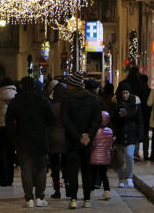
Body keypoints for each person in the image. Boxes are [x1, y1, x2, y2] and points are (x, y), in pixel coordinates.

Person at [5, 77, 55, 208]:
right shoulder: (43, 100)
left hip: (23, 139)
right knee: (41, 168)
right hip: (40, 139)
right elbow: (51, 119)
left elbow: (9, 122)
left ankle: (29, 199)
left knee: (26, 169)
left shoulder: (16, 101)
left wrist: (13, 138)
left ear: (21, 86)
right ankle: (40, 196)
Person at [60, 72, 102, 209]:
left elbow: (65, 120)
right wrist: (88, 135)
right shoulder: (92, 99)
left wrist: (77, 135)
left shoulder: (67, 100)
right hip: (87, 141)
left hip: (72, 140)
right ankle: (87, 199)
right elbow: (97, 119)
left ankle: (73, 198)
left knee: (72, 169)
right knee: (86, 170)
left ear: (71, 85)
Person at [111, 81, 143, 189]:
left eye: (126, 93)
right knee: (120, 159)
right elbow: (112, 120)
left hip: (131, 134)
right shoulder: (115, 103)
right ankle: (121, 179)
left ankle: (129, 177)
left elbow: (139, 119)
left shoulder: (135, 103)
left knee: (129, 156)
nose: (125, 95)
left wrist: (140, 134)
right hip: (119, 135)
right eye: (123, 93)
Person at [47, 82, 68, 199]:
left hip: (53, 137)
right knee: (66, 164)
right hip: (65, 137)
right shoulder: (68, 105)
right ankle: (68, 186)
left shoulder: (51, 106)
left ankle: (57, 190)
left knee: (54, 166)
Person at [90, 111, 114, 201]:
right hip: (105, 157)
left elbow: (93, 145)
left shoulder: (95, 131)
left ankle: (90, 192)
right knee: (104, 175)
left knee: (93, 175)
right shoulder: (110, 131)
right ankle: (107, 192)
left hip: (94, 157)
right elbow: (110, 144)